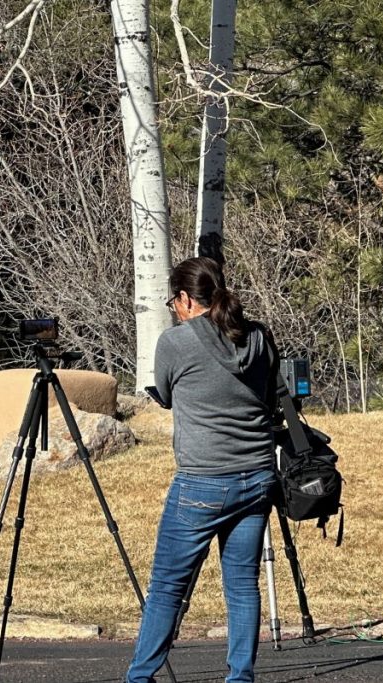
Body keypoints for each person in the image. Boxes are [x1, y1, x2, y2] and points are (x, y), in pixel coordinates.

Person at [125, 257, 276, 683]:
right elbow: (267, 392)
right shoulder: (260, 336)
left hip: (203, 480)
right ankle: (240, 678)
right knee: (242, 586)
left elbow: (168, 394)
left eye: (174, 300)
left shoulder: (176, 342)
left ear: (187, 299)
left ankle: (140, 677)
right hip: (257, 475)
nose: (173, 307)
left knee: (168, 588)